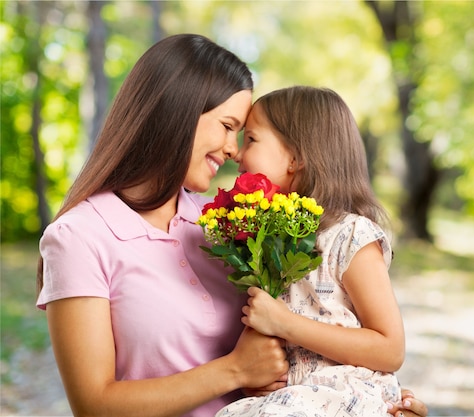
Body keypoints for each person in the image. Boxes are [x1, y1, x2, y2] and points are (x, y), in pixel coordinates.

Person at [36, 34, 427, 417]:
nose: (232, 149)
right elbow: (93, 406)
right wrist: (234, 370)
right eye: (227, 126)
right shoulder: (78, 237)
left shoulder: (227, 224)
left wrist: (372, 401)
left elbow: (319, 330)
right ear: (179, 112)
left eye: (243, 135)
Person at [216, 86, 407, 417]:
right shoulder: (270, 237)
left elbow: (390, 349)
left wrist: (285, 324)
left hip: (343, 397)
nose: (236, 153)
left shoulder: (350, 237)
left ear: (295, 158)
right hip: (290, 400)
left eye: (252, 140)